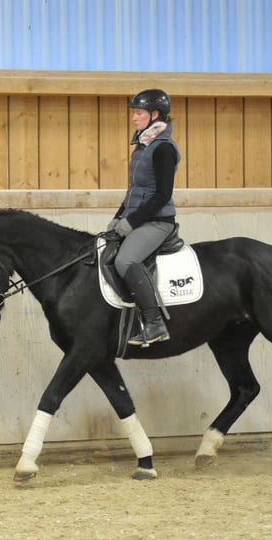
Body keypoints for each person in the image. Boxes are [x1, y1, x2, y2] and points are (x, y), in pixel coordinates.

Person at [107, 88, 181, 346]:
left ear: (155, 114)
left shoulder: (163, 149)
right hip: (138, 217)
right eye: (135, 113)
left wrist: (132, 221)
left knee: (125, 261)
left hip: (158, 221)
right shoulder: (142, 146)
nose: (134, 118)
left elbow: (162, 194)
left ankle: (154, 323)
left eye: (138, 113)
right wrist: (118, 217)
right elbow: (135, 191)